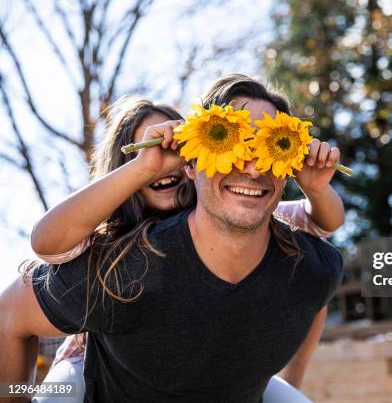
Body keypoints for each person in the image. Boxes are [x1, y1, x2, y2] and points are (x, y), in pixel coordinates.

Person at [0, 74, 344, 402]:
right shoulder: (115, 252)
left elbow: (321, 246)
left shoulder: (272, 228)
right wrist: (143, 167)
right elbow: (41, 249)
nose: (252, 167)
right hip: (84, 363)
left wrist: (316, 187)